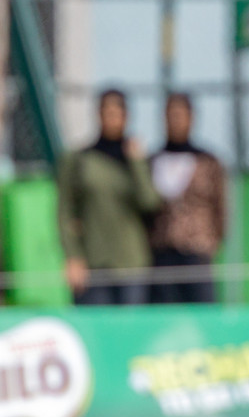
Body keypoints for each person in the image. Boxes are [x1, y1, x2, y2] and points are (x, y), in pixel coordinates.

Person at [58, 89, 161, 306]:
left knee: (131, 332)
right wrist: (73, 256)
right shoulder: (80, 159)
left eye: (117, 113)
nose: (112, 119)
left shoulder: (139, 160)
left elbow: (150, 203)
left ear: (126, 117)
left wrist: (137, 163)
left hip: (131, 264)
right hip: (94, 262)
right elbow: (65, 210)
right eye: (107, 113)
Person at [147, 93, 225, 304]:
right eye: (171, 115)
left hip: (197, 252)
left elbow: (221, 209)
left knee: (202, 315)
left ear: (192, 118)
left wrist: (212, 242)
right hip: (161, 252)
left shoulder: (208, 161)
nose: (176, 121)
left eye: (180, 115)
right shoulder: (151, 161)